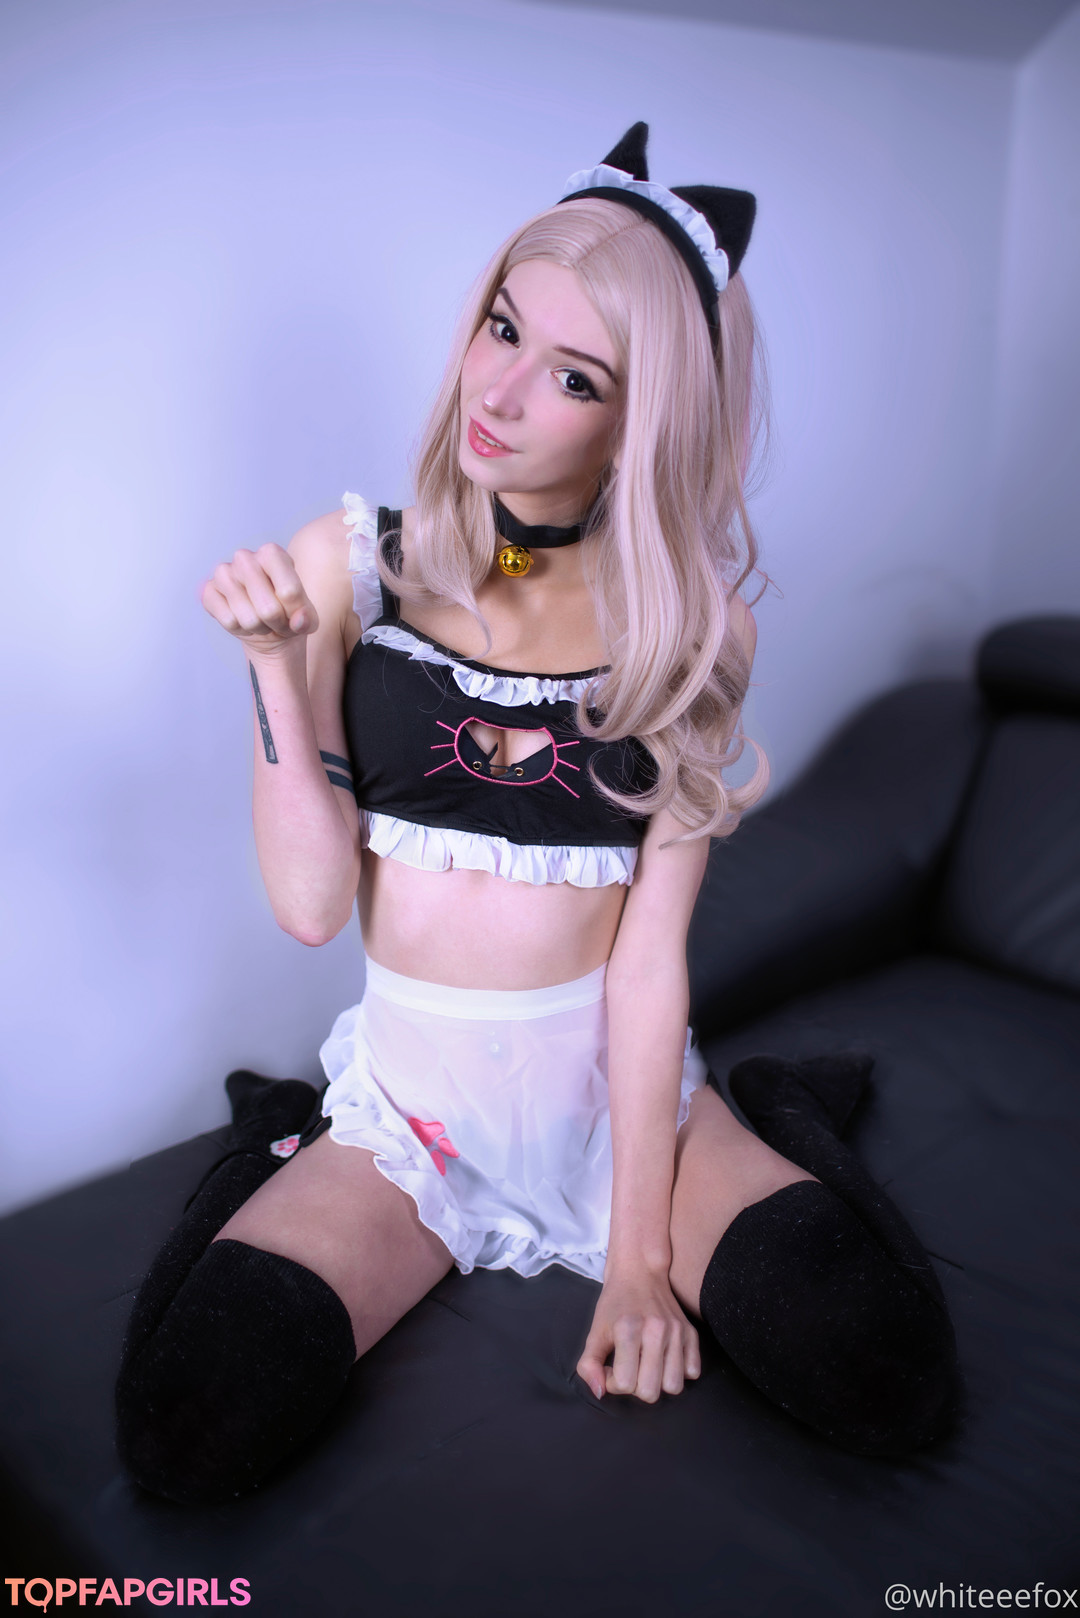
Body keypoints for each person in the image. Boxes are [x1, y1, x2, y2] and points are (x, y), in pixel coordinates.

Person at [114, 124, 960, 1505]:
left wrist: (639, 1258)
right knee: (188, 1421)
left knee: (884, 1371)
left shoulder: (696, 632)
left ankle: (771, 1111)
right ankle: (291, 1137)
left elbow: (649, 955)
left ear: (643, 422)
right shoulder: (354, 567)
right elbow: (314, 907)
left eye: (575, 376)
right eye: (502, 328)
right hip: (413, 1120)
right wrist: (274, 664)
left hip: (621, 1106)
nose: (499, 393)